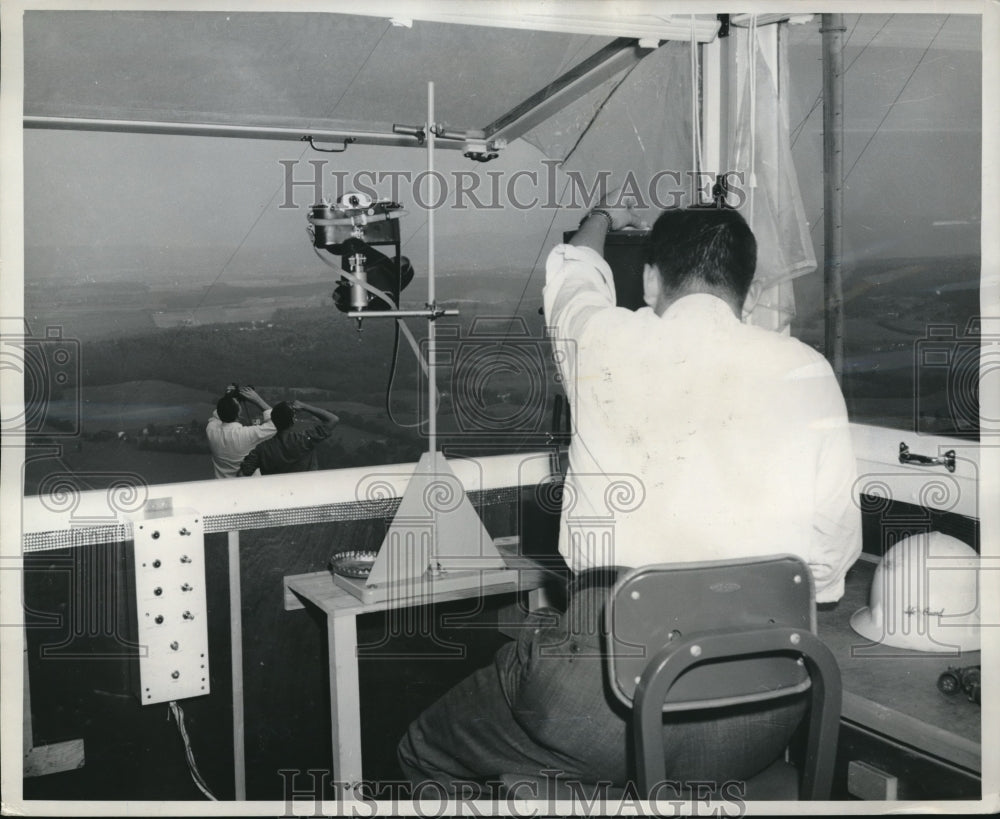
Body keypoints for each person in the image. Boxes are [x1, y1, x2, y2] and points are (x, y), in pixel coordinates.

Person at [397, 202, 862, 794]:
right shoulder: (809, 371)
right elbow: (827, 573)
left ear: (647, 281)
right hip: (761, 719)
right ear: (747, 290)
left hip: (606, 710)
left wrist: (599, 218)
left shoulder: (605, 339)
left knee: (424, 750)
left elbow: (574, 274)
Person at [238, 400, 339, 476]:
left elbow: (242, 475)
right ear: (293, 421)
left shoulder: (261, 449)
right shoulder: (305, 440)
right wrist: (304, 406)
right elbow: (333, 419)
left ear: (273, 421)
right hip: (305, 495)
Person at [205, 385, 276, 479]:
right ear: (239, 413)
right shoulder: (246, 435)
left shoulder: (211, 429)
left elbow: (218, 413)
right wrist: (257, 399)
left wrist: (228, 397)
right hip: (247, 487)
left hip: (222, 487)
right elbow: (276, 423)